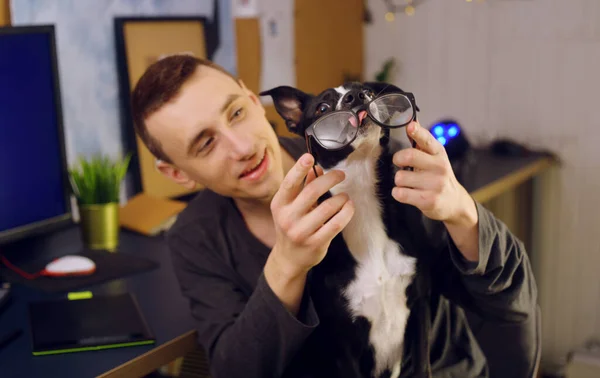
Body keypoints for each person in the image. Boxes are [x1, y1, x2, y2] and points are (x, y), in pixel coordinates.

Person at [129, 54, 539, 378]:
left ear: (254, 101)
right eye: (205, 143)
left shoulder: (386, 169)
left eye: (236, 112)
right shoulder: (195, 237)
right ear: (177, 173)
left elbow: (514, 305)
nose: (242, 148)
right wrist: (287, 265)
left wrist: (463, 213)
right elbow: (236, 369)